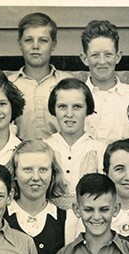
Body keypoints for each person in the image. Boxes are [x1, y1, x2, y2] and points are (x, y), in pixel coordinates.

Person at [6, 139, 72, 254]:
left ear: (52, 174)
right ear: (14, 174)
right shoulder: (2, 218)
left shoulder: (67, 219)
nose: (36, 177)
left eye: (43, 169)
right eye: (27, 169)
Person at [8, 12, 72, 141]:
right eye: (28, 40)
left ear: (53, 45)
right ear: (20, 44)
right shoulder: (9, 84)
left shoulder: (67, 82)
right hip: (20, 155)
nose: (35, 46)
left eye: (43, 40)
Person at [44, 78, 104, 211]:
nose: (69, 114)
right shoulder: (44, 148)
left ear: (88, 109)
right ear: (53, 109)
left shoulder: (100, 150)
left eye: (77, 107)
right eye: (62, 107)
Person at [80, 20, 129, 147]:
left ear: (118, 56)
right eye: (95, 55)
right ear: (85, 58)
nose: (102, 61)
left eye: (108, 54)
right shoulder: (76, 96)